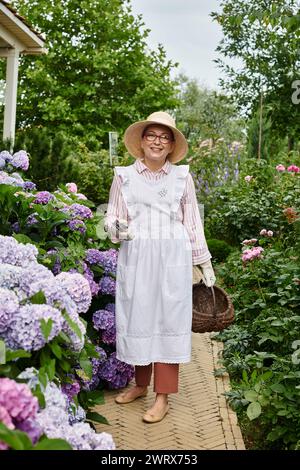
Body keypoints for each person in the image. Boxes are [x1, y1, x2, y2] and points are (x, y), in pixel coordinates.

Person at [104, 111, 216, 423]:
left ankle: (162, 396)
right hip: (137, 256)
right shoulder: (123, 176)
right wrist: (116, 228)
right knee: (139, 316)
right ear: (141, 141)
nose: (157, 141)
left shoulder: (182, 177)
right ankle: (140, 385)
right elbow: (111, 216)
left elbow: (193, 222)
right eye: (152, 135)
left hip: (172, 257)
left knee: (167, 320)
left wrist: (203, 262)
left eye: (164, 137)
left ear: (171, 145)